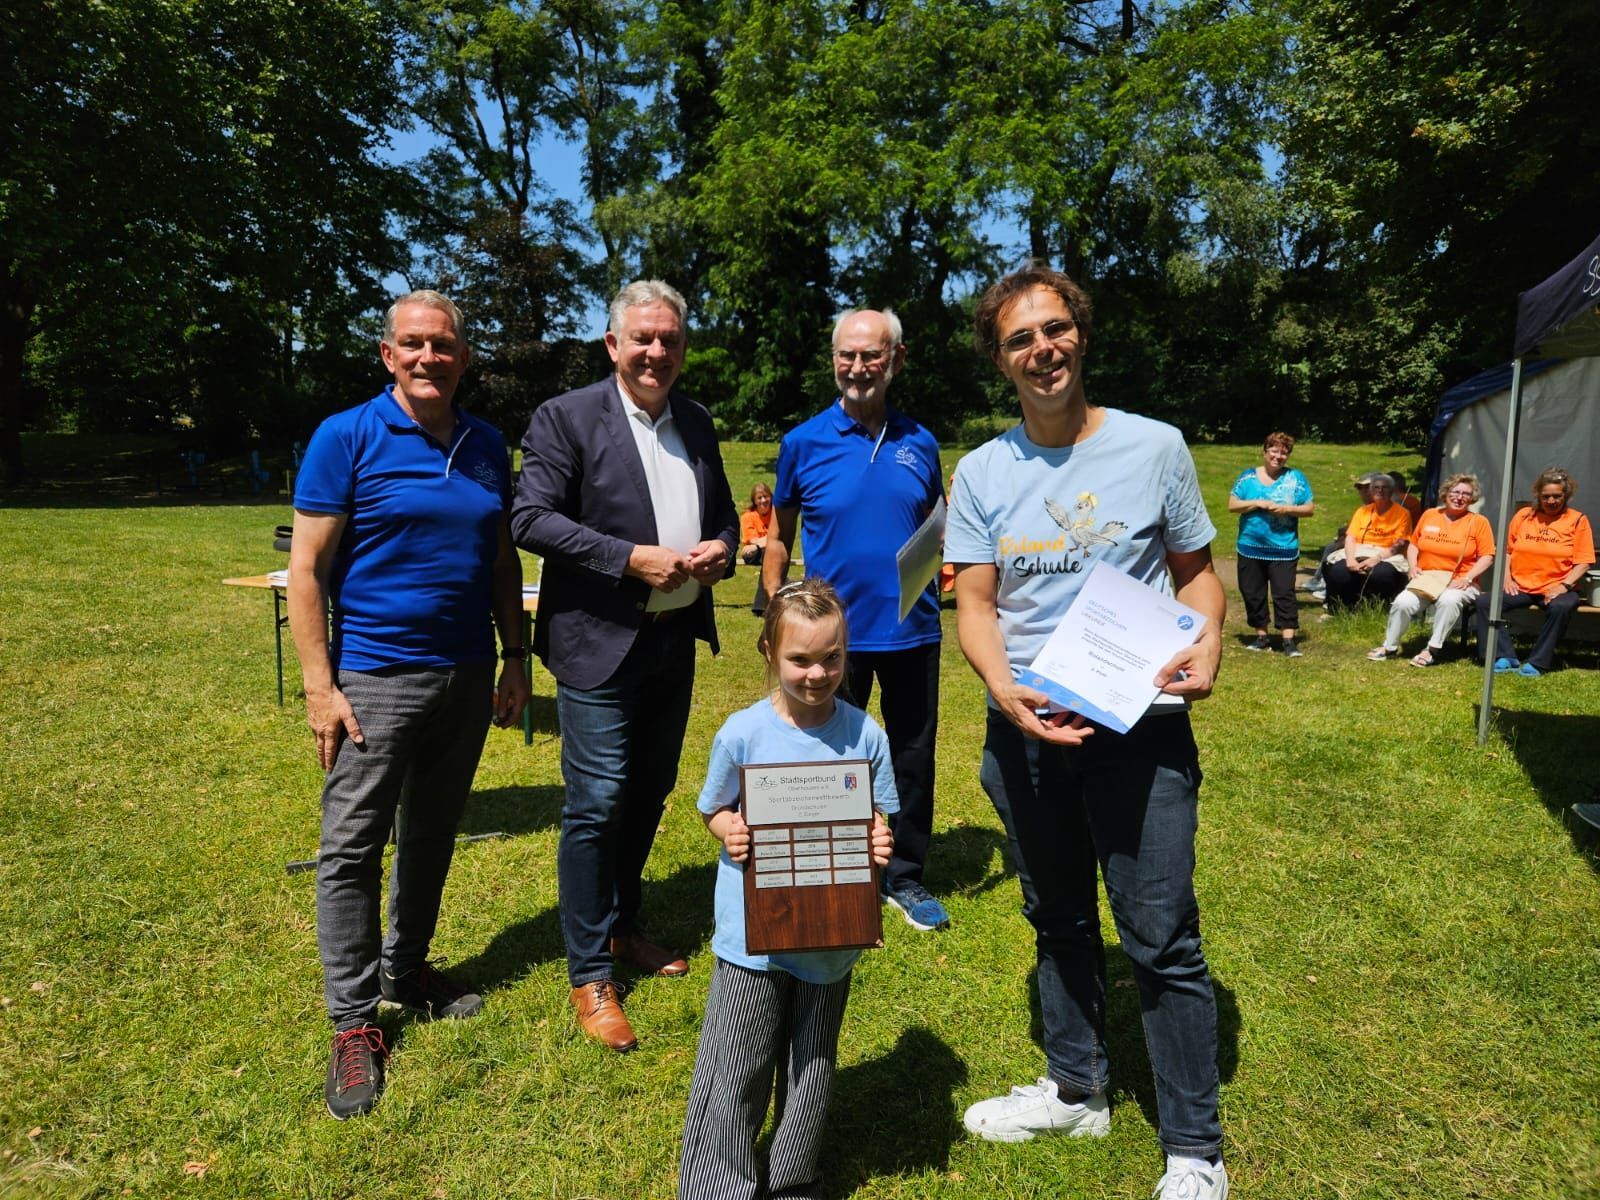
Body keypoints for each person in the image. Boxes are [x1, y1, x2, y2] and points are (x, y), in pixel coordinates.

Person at [946, 264, 1229, 1200]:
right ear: (1000, 360)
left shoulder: (1155, 448)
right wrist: (1002, 688)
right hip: (1027, 730)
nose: (1043, 350)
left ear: (1081, 333)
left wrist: (1209, 637)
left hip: (1139, 731)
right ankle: (1077, 1090)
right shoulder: (982, 472)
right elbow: (975, 605)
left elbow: (1196, 575)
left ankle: (1194, 1149)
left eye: (1055, 328)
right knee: (1058, 916)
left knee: (1160, 934)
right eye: (1020, 338)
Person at [287, 289, 531, 1120]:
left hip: (465, 672)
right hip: (374, 678)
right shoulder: (346, 436)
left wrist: (515, 658)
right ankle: (354, 1022)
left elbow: (501, 560)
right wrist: (320, 686)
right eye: (414, 344)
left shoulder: (487, 444)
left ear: (464, 357)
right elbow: (308, 570)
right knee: (353, 846)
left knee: (431, 830)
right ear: (389, 355)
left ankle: (408, 967)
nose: (430, 357)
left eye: (444, 344)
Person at [510, 279, 739, 1051]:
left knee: (648, 791)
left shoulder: (696, 421)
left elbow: (726, 519)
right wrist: (628, 558)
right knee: (598, 800)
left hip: (673, 641)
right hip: (597, 642)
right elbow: (529, 518)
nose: (656, 351)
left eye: (669, 339)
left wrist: (721, 550)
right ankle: (589, 972)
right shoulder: (567, 417)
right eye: (642, 337)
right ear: (612, 344)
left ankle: (621, 924)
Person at [677, 578, 896, 1200]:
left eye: (832, 657)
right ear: (769, 652)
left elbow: (878, 814)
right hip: (754, 936)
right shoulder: (742, 733)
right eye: (800, 659)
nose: (817, 673)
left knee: (812, 1065)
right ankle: (718, 1184)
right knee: (736, 1066)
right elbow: (713, 808)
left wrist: (879, 838)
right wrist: (730, 830)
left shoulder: (866, 735)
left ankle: (793, 1179)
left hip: (832, 935)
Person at [762, 308, 949, 932]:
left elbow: (937, 529)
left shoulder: (921, 443)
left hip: (912, 630)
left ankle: (905, 876)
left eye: (872, 355)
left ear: (896, 359)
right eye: (848, 354)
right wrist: (774, 610)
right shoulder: (803, 442)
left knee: (912, 755)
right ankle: (832, 867)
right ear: (834, 359)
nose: (859, 367)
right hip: (830, 639)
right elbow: (779, 538)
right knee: (828, 756)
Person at [1474, 468, 1595, 677]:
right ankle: (1504, 656)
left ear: (1566, 495)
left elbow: (1584, 562)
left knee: (1560, 608)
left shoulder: (1577, 520)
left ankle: (1538, 661)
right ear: (1538, 495)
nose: (1551, 501)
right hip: (1521, 586)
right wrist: (1507, 578)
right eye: (1546, 496)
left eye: (1557, 496)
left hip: (1558, 587)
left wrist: (1563, 586)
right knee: (1485, 602)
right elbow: (1507, 551)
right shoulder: (1524, 516)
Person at [1368, 474, 1494, 666]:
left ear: (1472, 498)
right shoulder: (1430, 515)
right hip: (1427, 578)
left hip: (1460, 580)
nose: (1459, 497)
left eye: (1466, 494)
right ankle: (1390, 646)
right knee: (1402, 603)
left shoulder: (1479, 522)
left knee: (1449, 600)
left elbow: (1488, 556)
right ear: (1446, 493)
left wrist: (1467, 579)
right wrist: (1413, 567)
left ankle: (1432, 649)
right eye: (1455, 492)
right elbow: (1413, 544)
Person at [1228, 432, 1314, 656]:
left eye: (1283, 452)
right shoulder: (1248, 477)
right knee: (1252, 592)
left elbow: (1309, 508)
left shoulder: (1296, 478)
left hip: (1283, 548)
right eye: (1274, 451)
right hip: (1250, 547)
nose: (1278, 456)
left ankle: (1288, 641)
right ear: (1265, 452)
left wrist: (1287, 509)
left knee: (1284, 593)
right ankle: (1261, 637)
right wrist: (1257, 503)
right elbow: (1232, 505)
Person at [1321, 473, 1412, 610]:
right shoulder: (1362, 511)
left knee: (1380, 574)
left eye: (1385, 487)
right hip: (1359, 549)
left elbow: (1400, 544)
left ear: (1392, 491)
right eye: (1376, 487)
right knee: (1339, 570)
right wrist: (1350, 559)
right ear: (1371, 491)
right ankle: (1338, 609)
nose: (1380, 491)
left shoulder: (1402, 513)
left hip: (1386, 553)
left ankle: (1375, 610)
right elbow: (1350, 537)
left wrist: (1376, 559)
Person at [741, 482, 774, 615]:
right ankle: (786, 583)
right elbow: (752, 540)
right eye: (759, 498)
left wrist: (757, 544)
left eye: (766, 496)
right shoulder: (747, 516)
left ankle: (760, 606)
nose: (763, 500)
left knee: (768, 556)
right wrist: (770, 539)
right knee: (769, 555)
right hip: (751, 554)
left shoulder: (776, 514)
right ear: (754, 501)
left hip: (767, 552)